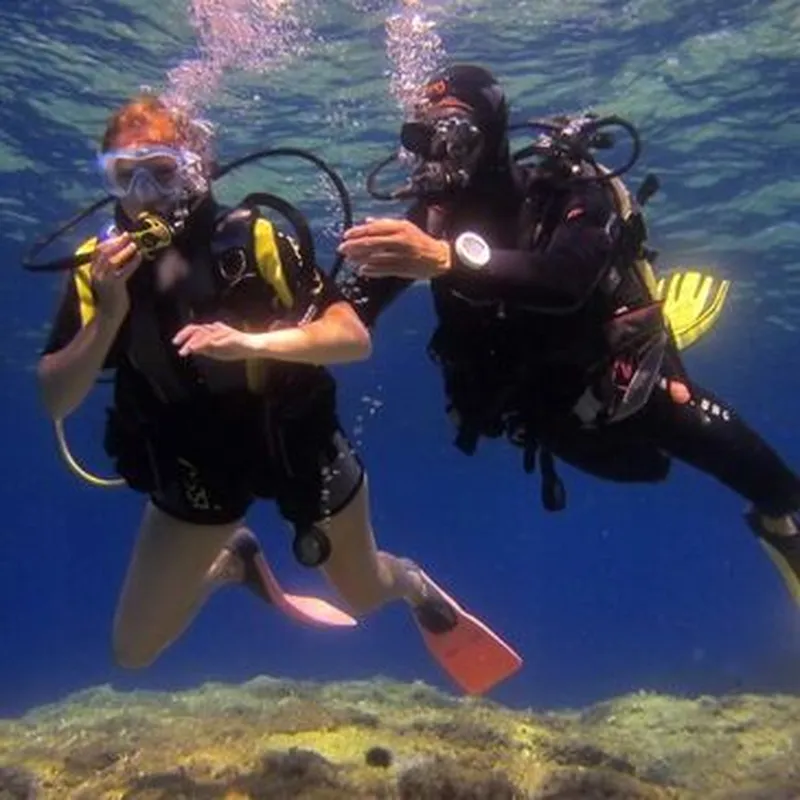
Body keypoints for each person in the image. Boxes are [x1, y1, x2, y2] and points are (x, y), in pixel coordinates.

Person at [35, 93, 522, 695]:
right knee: (132, 650)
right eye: (123, 176)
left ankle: (415, 584)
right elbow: (56, 399)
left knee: (366, 592)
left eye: (160, 172)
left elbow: (351, 338)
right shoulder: (97, 268)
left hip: (297, 442)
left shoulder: (254, 237)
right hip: (194, 458)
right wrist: (108, 316)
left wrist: (253, 345)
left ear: (197, 169)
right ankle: (229, 564)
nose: (143, 197)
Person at [337, 63, 800, 608]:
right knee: (642, 469)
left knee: (772, 486)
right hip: (548, 418)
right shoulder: (429, 220)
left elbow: (567, 280)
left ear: (491, 132)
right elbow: (347, 310)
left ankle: (782, 529)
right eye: (426, 136)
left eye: (455, 132)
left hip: (624, 388)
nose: (441, 153)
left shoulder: (570, 188)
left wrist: (444, 259)